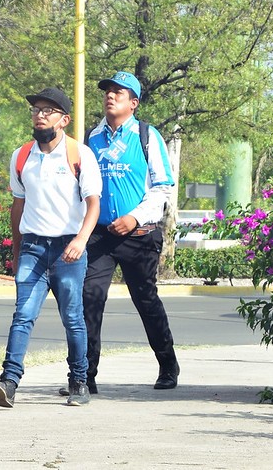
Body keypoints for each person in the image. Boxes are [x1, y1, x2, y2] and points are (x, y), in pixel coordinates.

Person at [0, 87, 101, 408]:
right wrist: (17, 249)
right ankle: (9, 382)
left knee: (73, 318)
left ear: (64, 120)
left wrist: (80, 240)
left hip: (68, 249)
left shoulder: (79, 155)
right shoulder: (22, 156)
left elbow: (93, 204)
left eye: (48, 111)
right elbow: (18, 205)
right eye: (36, 110)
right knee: (22, 315)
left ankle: (79, 381)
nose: (39, 115)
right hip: (33, 248)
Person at [77, 71, 179, 393]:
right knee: (89, 299)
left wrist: (134, 218)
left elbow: (162, 188)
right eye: (107, 91)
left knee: (145, 299)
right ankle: (85, 376)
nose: (110, 96)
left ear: (133, 103)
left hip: (140, 235)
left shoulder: (148, 136)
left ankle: (168, 365)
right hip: (100, 236)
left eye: (118, 93)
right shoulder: (91, 138)